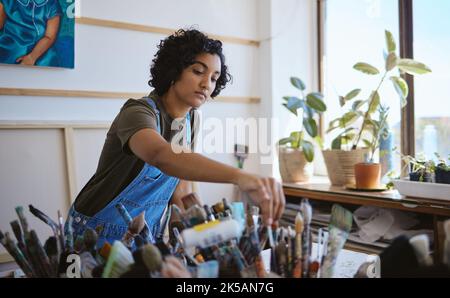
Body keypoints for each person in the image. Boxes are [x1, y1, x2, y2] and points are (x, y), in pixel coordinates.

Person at [65, 29, 285, 248]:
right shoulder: (137, 112)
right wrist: (240, 176)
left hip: (144, 236)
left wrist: (193, 232)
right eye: (198, 71)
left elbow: (180, 190)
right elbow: (161, 156)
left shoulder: (191, 120)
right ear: (173, 70)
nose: (207, 84)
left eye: (214, 78)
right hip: (95, 233)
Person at [0, 0, 61, 66]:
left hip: (40, 47)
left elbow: (49, 37)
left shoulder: (51, 3)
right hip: (9, 44)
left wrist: (32, 57)